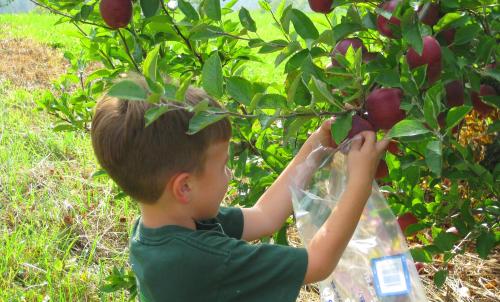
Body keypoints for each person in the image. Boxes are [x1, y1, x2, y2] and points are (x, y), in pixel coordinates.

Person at [90, 74, 389, 302]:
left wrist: (317, 143)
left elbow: (264, 216)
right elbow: (319, 263)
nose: (229, 174)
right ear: (184, 187)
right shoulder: (199, 261)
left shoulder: (162, 227)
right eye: (222, 166)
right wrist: (360, 182)